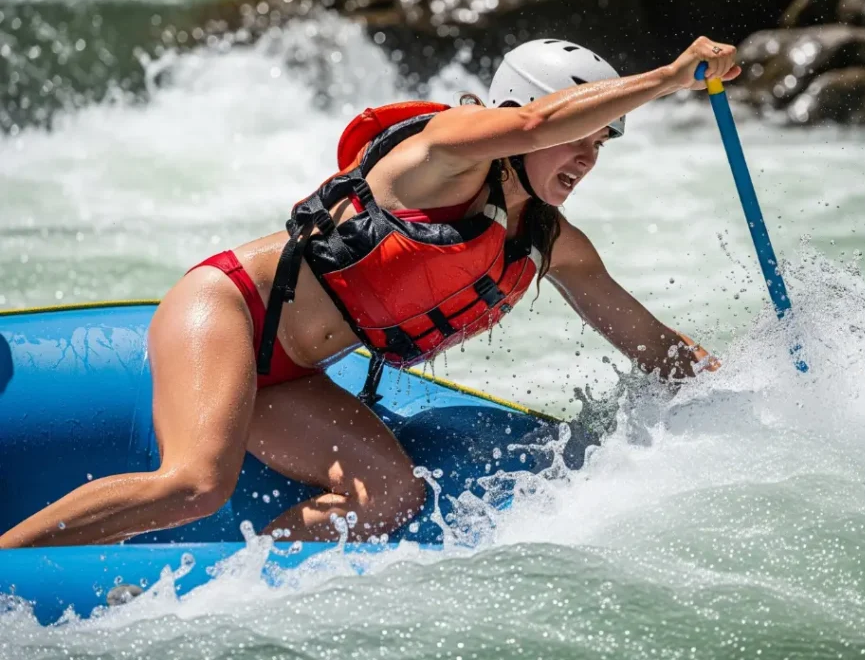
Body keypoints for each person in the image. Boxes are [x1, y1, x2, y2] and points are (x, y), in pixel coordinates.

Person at [0, 35, 740, 549]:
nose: (587, 156)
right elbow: (535, 121)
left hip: (294, 379)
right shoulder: (435, 157)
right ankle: (12, 560)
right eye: (580, 133)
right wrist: (673, 78)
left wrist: (756, 398)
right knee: (196, 484)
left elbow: (655, 345)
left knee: (391, 496)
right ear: (519, 123)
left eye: (604, 139)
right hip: (228, 310)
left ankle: (215, 578)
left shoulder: (552, 242)